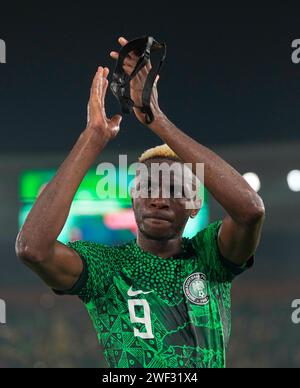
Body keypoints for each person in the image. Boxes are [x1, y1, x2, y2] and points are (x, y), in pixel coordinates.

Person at [15, 37, 265, 368]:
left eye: (174, 188)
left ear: (194, 204)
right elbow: (32, 248)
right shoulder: (107, 268)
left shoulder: (210, 257)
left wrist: (157, 120)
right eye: (148, 186)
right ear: (133, 197)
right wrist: (92, 139)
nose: (159, 199)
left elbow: (251, 211)